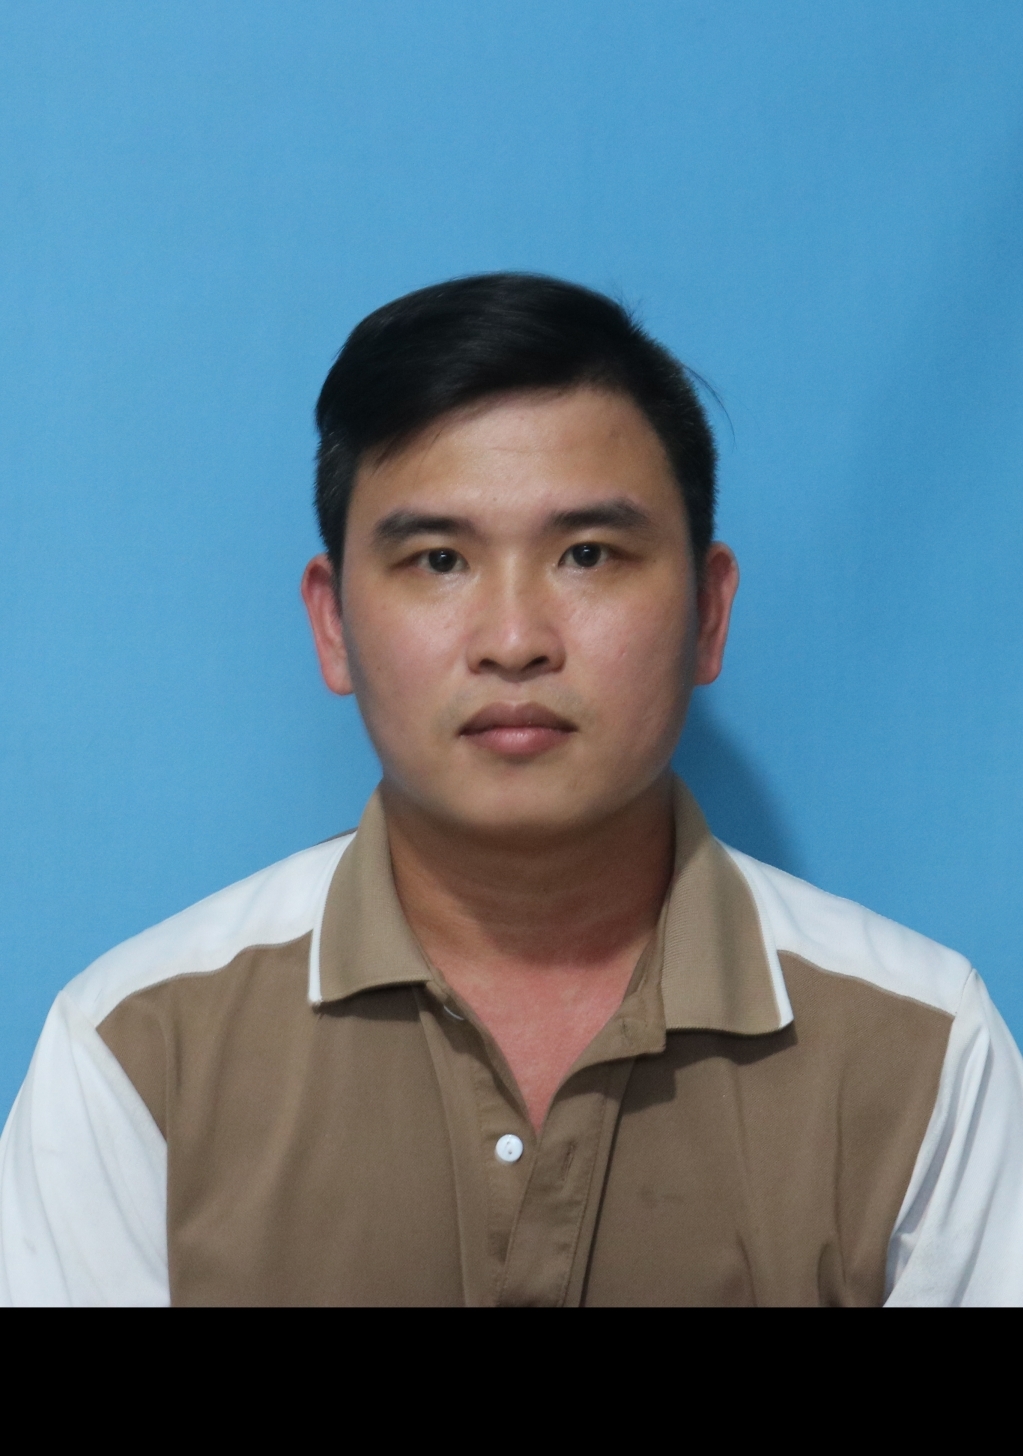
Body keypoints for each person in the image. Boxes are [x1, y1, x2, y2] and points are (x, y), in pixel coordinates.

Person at [2, 273, 1022, 1307]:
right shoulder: (138, 1053)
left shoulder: (924, 1050)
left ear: (708, 614)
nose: (514, 640)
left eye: (587, 554)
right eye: (439, 560)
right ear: (333, 623)